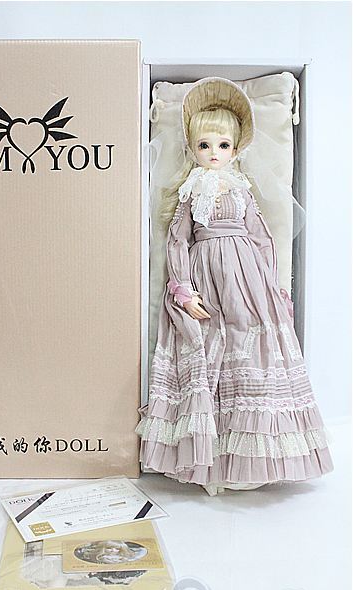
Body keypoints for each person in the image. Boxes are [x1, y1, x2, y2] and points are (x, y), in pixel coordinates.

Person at [135, 77, 334, 496]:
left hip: (247, 278)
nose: (214, 153)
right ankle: (213, 455)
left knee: (249, 344)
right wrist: (183, 289)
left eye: (223, 145)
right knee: (210, 348)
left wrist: (273, 287)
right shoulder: (190, 190)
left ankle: (254, 455)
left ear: (236, 148)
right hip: (206, 273)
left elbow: (262, 238)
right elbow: (177, 241)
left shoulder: (242, 190)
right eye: (205, 145)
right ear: (192, 147)